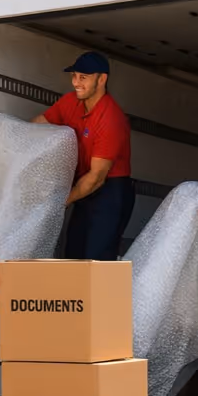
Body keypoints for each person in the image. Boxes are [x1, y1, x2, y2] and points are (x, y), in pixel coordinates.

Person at [32, 51, 134, 261]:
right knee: (74, 253)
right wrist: (20, 145)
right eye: (74, 76)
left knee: (96, 258)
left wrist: (60, 202)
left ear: (102, 79)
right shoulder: (71, 102)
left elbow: (97, 177)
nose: (76, 83)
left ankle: (99, 295)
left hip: (109, 191)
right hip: (84, 185)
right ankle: (76, 295)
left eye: (83, 78)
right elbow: (39, 124)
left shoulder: (110, 118)